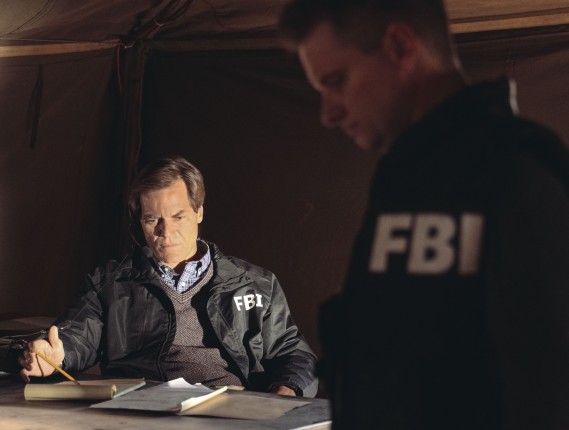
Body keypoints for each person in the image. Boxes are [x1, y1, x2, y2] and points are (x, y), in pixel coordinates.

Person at [279, 0, 569, 428]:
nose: (329, 113)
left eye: (337, 81)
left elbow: (547, 388)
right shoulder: (404, 177)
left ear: (400, 46)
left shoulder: (516, 166)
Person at [16, 156, 318, 397]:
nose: (166, 231)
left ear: (199, 212)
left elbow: (294, 354)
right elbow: (76, 336)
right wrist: (54, 356)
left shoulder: (255, 284)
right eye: (152, 219)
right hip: (139, 408)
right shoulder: (109, 284)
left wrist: (285, 394)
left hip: (231, 410)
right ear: (139, 223)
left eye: (178, 216)